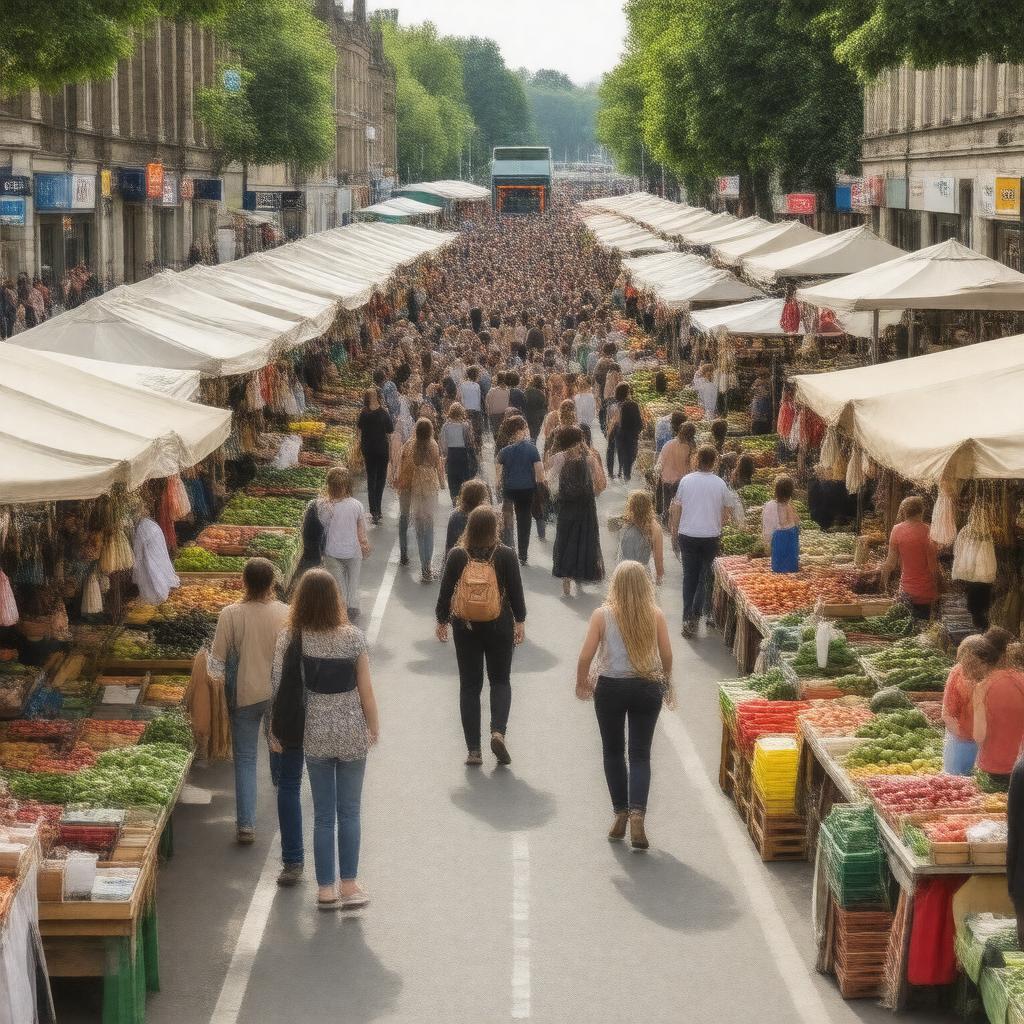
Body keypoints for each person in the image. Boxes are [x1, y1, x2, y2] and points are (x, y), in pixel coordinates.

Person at [269, 569, 380, 910]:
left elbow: (279, 688)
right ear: (335, 600)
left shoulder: (291, 638)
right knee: (350, 812)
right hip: (349, 733)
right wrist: (373, 728)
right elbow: (366, 691)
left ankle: (325, 890)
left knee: (322, 816)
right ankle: (349, 886)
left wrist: (273, 730)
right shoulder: (353, 638)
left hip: (314, 733)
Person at [574, 561, 674, 850]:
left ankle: (619, 812)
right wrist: (666, 682)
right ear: (646, 586)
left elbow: (585, 657)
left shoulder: (602, 616)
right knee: (640, 754)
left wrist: (582, 681)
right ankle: (638, 815)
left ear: (614, 585)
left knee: (613, 751)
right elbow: (666, 655)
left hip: (611, 687)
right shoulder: (655, 615)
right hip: (647, 686)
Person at [208, 559, 294, 864]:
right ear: (272, 583)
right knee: (280, 752)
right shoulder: (285, 613)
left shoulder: (230, 614)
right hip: (278, 694)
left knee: (245, 759)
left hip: (244, 695)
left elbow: (216, 663)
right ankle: (285, 808)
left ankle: (246, 824)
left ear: (244, 582)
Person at [435, 506, 526, 767]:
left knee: (469, 686)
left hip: (466, 627)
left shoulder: (457, 555)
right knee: (500, 680)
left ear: (469, 527)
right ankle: (498, 731)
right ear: (494, 527)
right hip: (499, 625)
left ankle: (474, 750)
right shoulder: (505, 555)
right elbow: (517, 592)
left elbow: (445, 591)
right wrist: (520, 620)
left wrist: (442, 620)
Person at [669, 444, 745, 638]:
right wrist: (719, 522)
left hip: (687, 535)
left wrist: (674, 531)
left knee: (689, 577)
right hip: (710, 537)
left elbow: (677, 508)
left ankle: (687, 617)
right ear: (714, 462)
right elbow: (728, 511)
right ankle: (694, 614)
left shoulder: (686, 481)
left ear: (697, 459)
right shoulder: (719, 483)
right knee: (703, 577)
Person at [549, 426, 606, 597]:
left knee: (565, 540)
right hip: (586, 507)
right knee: (585, 539)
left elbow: (549, 481)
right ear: (579, 441)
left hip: (566, 506)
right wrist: (589, 492)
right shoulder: (590, 459)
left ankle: (566, 582)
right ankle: (581, 576)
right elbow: (601, 484)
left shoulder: (559, 458)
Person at [318, 468, 371, 621]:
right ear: (348, 486)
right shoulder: (356, 505)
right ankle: (353, 607)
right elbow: (361, 530)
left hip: (332, 552)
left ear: (329, 486)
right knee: (353, 582)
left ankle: (341, 611)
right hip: (353, 552)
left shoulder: (324, 506)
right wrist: (364, 544)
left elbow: (323, 525)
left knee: (338, 585)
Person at [973, 628, 1024, 784]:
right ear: (1006, 652)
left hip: (994, 768)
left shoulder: (982, 688)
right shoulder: (1021, 680)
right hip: (1020, 766)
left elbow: (979, 735)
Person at [396, 418, 444, 582]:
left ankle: (405, 554)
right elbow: (438, 465)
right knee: (428, 526)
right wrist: (442, 483)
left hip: (413, 487)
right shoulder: (434, 445)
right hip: (429, 488)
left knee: (411, 522)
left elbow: (403, 464)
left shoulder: (410, 445)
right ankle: (426, 566)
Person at [880, 496, 940, 620]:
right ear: (922, 511)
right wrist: (940, 589)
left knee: (906, 628)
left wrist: (883, 583)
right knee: (921, 629)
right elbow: (933, 567)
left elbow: (890, 564)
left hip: (905, 591)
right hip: (926, 593)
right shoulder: (929, 531)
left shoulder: (896, 530)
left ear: (904, 512)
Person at [495, 415, 544, 565]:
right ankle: (523, 555)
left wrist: (498, 487)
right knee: (524, 521)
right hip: (527, 490)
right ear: (521, 430)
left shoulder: (504, 451)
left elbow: (497, 475)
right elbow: (540, 474)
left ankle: (509, 551)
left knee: (508, 521)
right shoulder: (532, 449)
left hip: (509, 489)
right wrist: (540, 486)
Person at [357, 388, 394, 525]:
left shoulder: (364, 413)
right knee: (380, 480)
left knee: (371, 480)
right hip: (381, 450)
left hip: (368, 450)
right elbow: (390, 431)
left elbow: (359, 431)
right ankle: (377, 509)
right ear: (378, 397)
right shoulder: (384, 413)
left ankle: (374, 510)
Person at [612, 490, 664, 584]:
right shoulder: (654, 527)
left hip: (622, 572)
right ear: (649, 506)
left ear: (630, 506)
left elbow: (610, 527)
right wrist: (659, 578)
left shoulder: (624, 522)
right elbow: (658, 558)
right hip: (641, 575)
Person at [655, 422, 695, 521]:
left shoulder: (669, 444)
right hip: (682, 482)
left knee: (667, 504)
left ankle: (666, 521)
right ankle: (675, 524)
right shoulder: (691, 448)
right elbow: (693, 467)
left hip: (666, 479)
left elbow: (660, 462)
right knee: (679, 507)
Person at [761, 474, 800, 574]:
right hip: (792, 545)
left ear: (776, 491)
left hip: (779, 544)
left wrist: (767, 543)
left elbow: (768, 529)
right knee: (791, 569)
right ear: (791, 493)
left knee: (779, 571)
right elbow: (797, 525)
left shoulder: (770, 506)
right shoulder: (791, 508)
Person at [438, 403, 476, 504]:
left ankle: (454, 502)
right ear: (461, 413)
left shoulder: (445, 426)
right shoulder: (465, 425)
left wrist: (445, 455)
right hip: (463, 455)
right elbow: (470, 442)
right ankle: (464, 502)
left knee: (452, 481)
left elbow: (442, 442)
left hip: (451, 455)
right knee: (465, 480)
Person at [445, 479, 491, 557]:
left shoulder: (455, 515)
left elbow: (449, 545)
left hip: (458, 558)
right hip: (481, 561)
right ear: (481, 499)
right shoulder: (485, 516)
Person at [614, 382, 643, 483]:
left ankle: (621, 469)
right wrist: (640, 429)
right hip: (631, 432)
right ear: (627, 392)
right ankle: (627, 473)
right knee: (631, 453)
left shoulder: (616, 404)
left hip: (620, 432)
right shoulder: (633, 404)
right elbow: (638, 419)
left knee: (621, 451)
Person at [460, 366, 484, 451]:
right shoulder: (477, 386)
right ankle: (478, 451)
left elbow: (461, 398)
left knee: (467, 432)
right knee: (477, 433)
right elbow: (478, 400)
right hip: (476, 411)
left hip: (466, 410)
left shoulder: (462, 385)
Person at [524, 374, 547, 442]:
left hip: (528, 415)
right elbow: (544, 406)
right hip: (538, 417)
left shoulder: (527, 391)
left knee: (530, 433)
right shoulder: (541, 393)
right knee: (536, 434)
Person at [485, 371, 510, 436]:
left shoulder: (492, 390)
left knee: (495, 432)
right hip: (504, 413)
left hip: (494, 413)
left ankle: (497, 445)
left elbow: (487, 401)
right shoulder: (508, 391)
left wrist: (488, 412)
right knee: (503, 432)